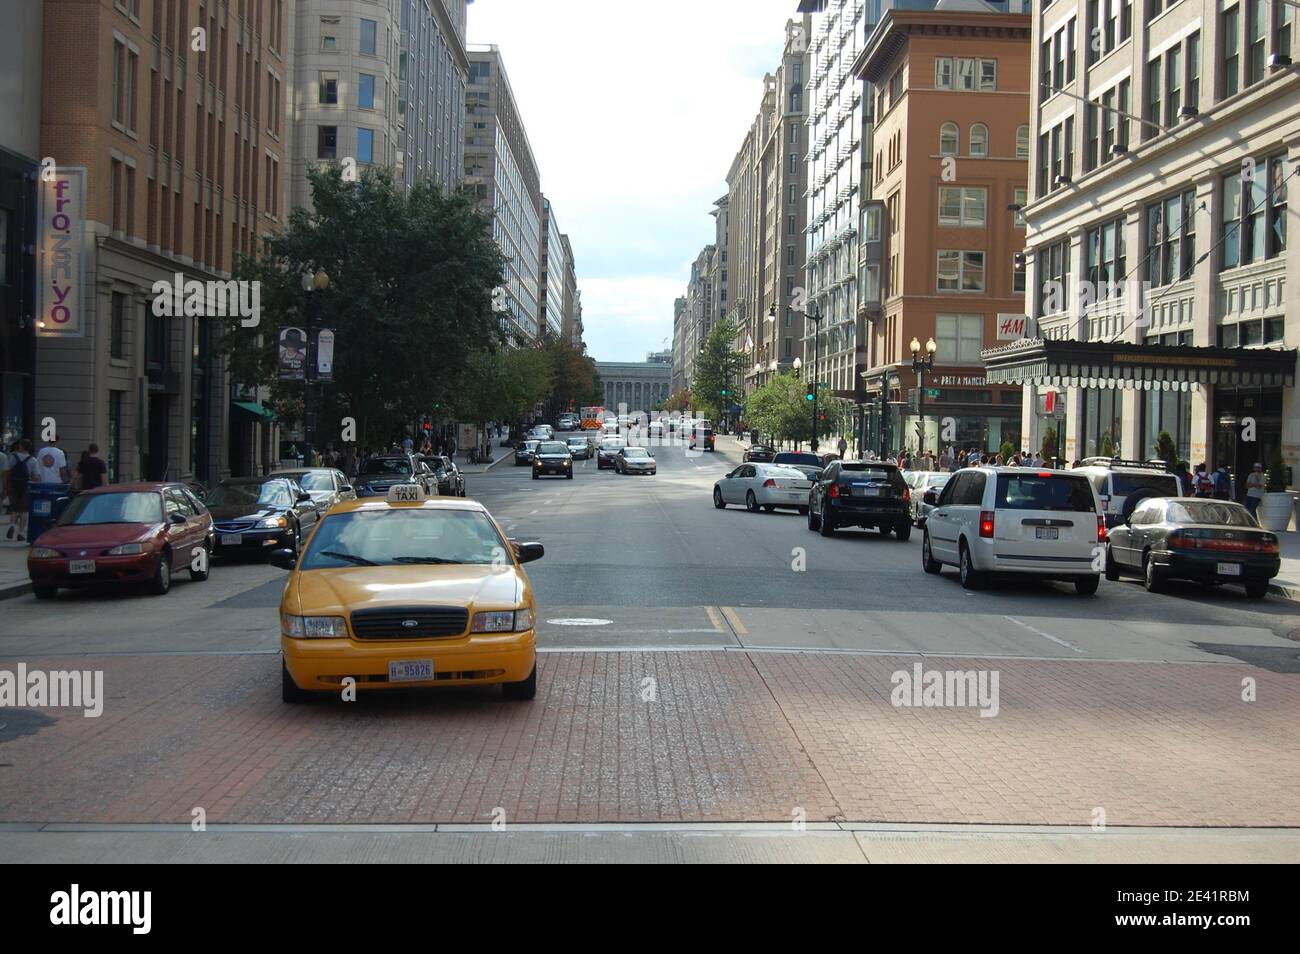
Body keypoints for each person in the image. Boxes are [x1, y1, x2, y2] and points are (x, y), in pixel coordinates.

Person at [5, 439, 34, 541]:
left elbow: (8, 472)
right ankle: (21, 533)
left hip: (14, 485)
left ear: (21, 446)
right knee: (24, 511)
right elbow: (36, 476)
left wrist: (7, 485)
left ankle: (12, 525)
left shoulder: (12, 457)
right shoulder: (32, 460)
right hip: (26, 487)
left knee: (14, 508)